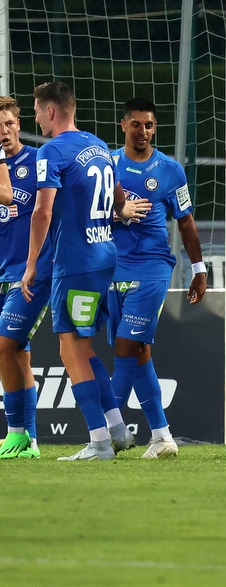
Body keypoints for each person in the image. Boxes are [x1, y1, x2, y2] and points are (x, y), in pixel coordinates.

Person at [22, 81, 130, 461]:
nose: (35, 118)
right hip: (105, 256)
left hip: (76, 262)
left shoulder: (51, 151)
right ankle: (117, 428)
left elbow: (42, 210)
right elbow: (118, 193)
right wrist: (119, 212)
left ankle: (99, 443)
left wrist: (32, 262)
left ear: (51, 111)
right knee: (82, 346)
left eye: (36, 111)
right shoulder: (99, 145)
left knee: (69, 348)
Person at [109, 97, 208, 459]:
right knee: (138, 353)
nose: (144, 131)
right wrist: (119, 212)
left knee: (125, 347)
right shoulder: (107, 165)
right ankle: (162, 436)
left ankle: (104, 437)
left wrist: (199, 269)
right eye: (136, 124)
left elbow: (186, 222)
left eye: (149, 125)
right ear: (123, 125)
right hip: (112, 268)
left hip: (152, 268)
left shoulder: (170, 170)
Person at [0, 95, 45, 459]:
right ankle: (29, 441)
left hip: (27, 274)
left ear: (19, 123)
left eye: (9, 123)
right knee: (19, 355)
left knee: (4, 347)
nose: (3, 131)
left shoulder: (37, 160)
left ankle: (16, 433)